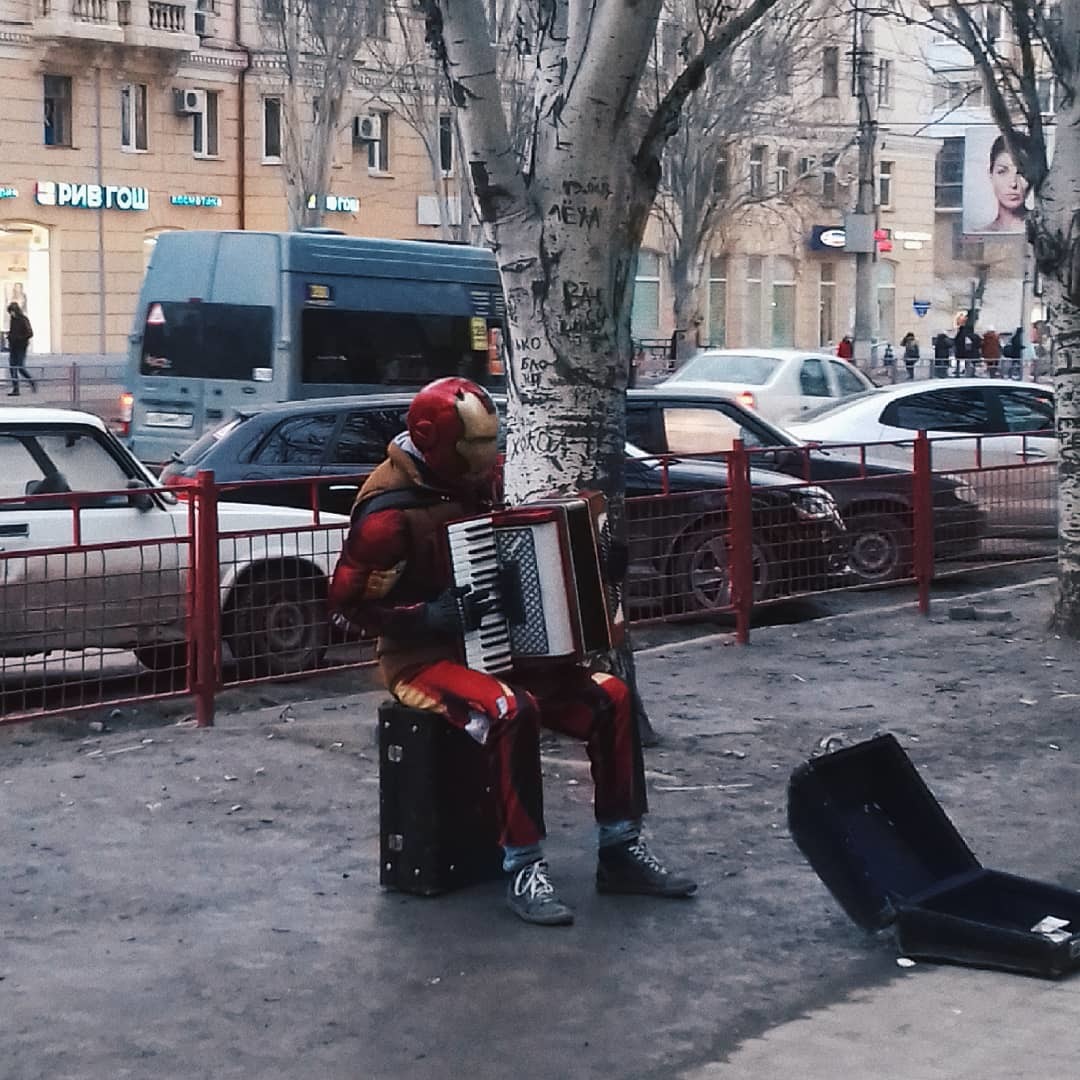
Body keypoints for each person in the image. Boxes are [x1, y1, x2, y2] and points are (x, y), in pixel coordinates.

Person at [327, 377, 696, 927]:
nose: (488, 458)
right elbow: (345, 606)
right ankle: (523, 865)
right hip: (421, 660)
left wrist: (599, 569)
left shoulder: (481, 483)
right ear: (434, 442)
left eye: (489, 444)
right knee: (509, 708)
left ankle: (620, 850)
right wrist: (426, 615)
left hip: (499, 650)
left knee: (611, 697)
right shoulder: (388, 516)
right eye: (473, 447)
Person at [977, 135, 1030, 233]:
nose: (1013, 184)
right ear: (991, 174)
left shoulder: (1046, 233)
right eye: (1002, 172)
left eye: (1022, 173)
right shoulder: (980, 233)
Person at [5, 302, 36, 396]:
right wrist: (9, 336)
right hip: (13, 347)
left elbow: (30, 333)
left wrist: (19, 338)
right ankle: (16, 389)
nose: (11, 314)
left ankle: (32, 381)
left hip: (21, 347)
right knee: (12, 368)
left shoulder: (23, 320)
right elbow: (13, 331)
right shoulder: (12, 320)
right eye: (10, 312)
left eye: (12, 312)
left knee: (20, 367)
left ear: (16, 311)